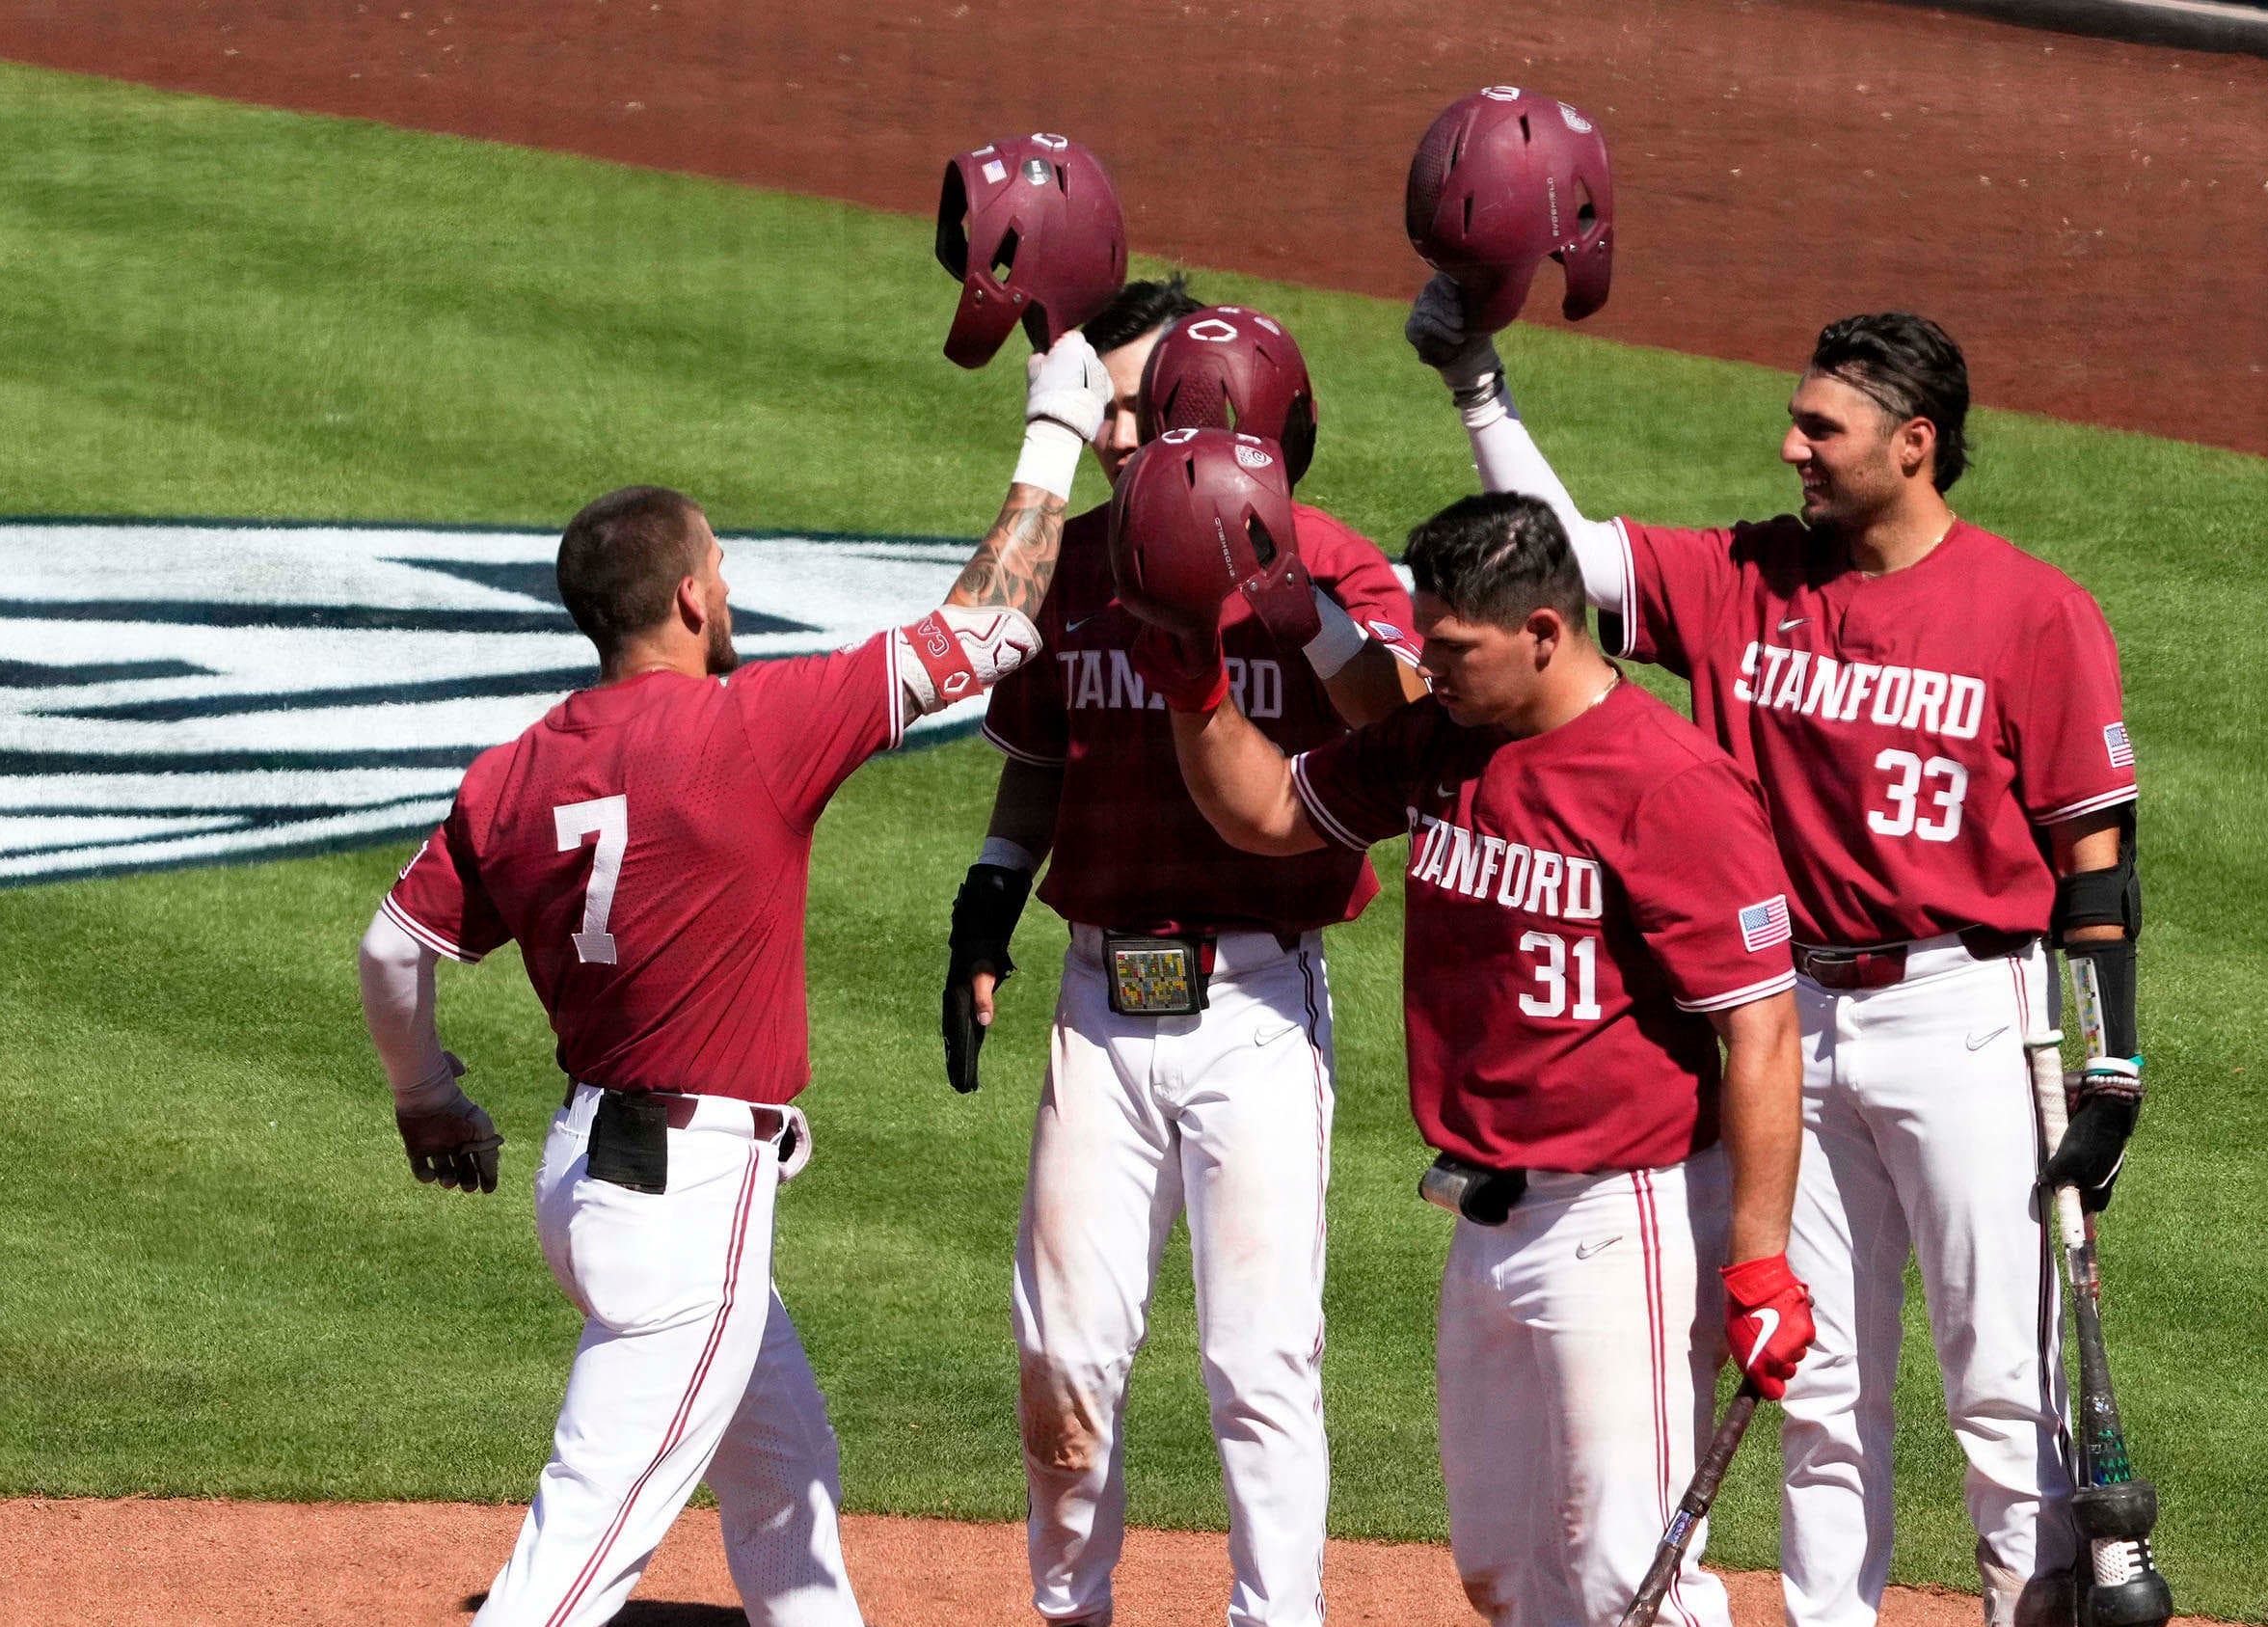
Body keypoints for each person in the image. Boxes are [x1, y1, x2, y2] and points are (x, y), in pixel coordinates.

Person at [1406, 288, 2145, 1627]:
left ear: (1914, 442)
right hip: (1791, 1010)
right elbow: (1560, 564)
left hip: (1969, 1012)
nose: (1791, 446)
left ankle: (2026, 1607)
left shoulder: (2037, 613)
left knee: (2001, 1380)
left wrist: (2116, 1059)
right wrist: (1477, 385)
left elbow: (2099, 859)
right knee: (1816, 1379)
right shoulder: (1745, 576)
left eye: (1823, 426)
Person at [356, 339, 1101, 1627]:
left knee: (785, 1478)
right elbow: (990, 627)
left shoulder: (515, 770)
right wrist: (1056, 424)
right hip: (681, 1199)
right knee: (569, 1565)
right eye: (721, 566)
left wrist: (428, 1094)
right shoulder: (747, 728)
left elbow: (390, 946)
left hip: (593, 1165)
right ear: (694, 597)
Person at [1149, 488, 1815, 1627]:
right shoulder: (1445, 741)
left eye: (1452, 647)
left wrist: (1757, 1261)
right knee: (1502, 1570)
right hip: (1486, 1217)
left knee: (1630, 1574)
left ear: (1544, 633)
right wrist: (1192, 685)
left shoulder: (1668, 781)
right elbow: (1263, 811)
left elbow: (1760, 1026)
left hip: (1625, 1217)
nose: (1429, 666)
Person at [937, 278, 1423, 1627]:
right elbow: (1035, 762)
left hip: (1258, 1006)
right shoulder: (1080, 563)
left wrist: (1280, 589)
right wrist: (987, 900)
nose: (1122, 435)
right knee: (1065, 1352)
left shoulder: (1330, 561)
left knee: (1259, 1360)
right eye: (1115, 411)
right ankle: (1069, 1607)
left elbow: (1405, 718)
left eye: (1151, 410)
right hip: (1099, 1003)